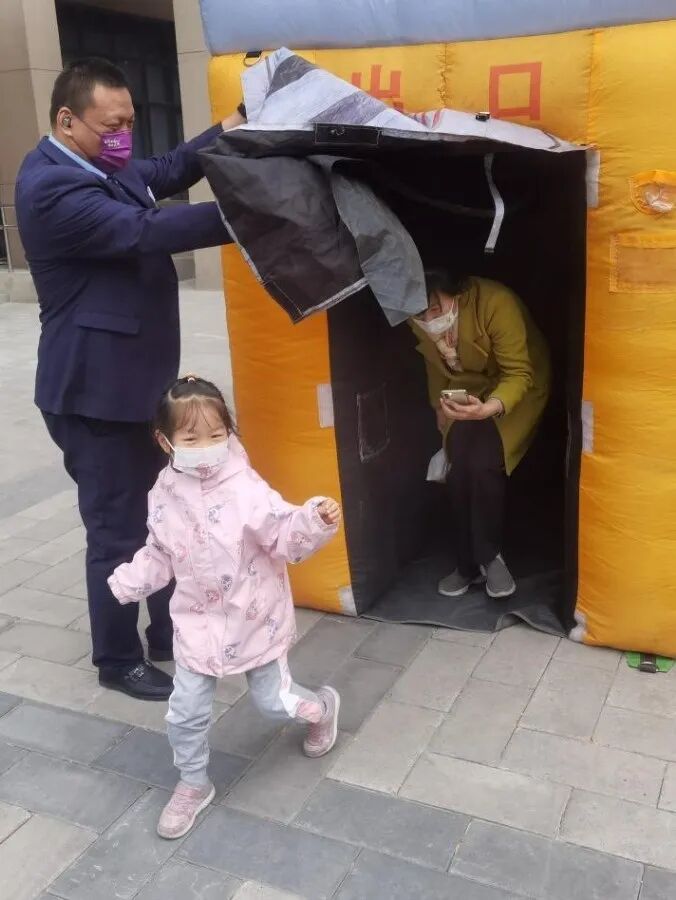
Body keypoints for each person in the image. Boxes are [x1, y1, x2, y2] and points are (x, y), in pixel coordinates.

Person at [15, 58, 246, 700]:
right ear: (68, 120)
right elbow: (146, 229)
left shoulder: (102, 163)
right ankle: (117, 659)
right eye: (111, 125)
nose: (123, 136)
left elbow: (169, 169)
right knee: (118, 530)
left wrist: (235, 124)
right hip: (95, 395)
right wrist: (252, 210)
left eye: (130, 123)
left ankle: (169, 632)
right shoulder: (50, 187)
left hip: (137, 389)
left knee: (164, 514)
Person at [108, 376, 342, 838]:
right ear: (165, 441)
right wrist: (128, 581)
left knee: (274, 703)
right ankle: (193, 783)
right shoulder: (163, 492)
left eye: (216, 434)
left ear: (229, 433)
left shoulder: (244, 487)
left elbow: (281, 533)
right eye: (191, 438)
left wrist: (312, 519)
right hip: (198, 623)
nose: (206, 447)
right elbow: (161, 552)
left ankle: (322, 708)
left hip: (255, 616)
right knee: (186, 711)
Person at [411, 269, 550, 599]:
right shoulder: (415, 315)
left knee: (484, 461)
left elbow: (518, 373)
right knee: (458, 462)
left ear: (457, 293)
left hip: (516, 386)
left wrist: (489, 409)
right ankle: (467, 564)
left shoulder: (496, 303)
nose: (429, 319)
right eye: (420, 313)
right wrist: (438, 406)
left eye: (436, 308)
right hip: (467, 387)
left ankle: (488, 556)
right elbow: (433, 365)